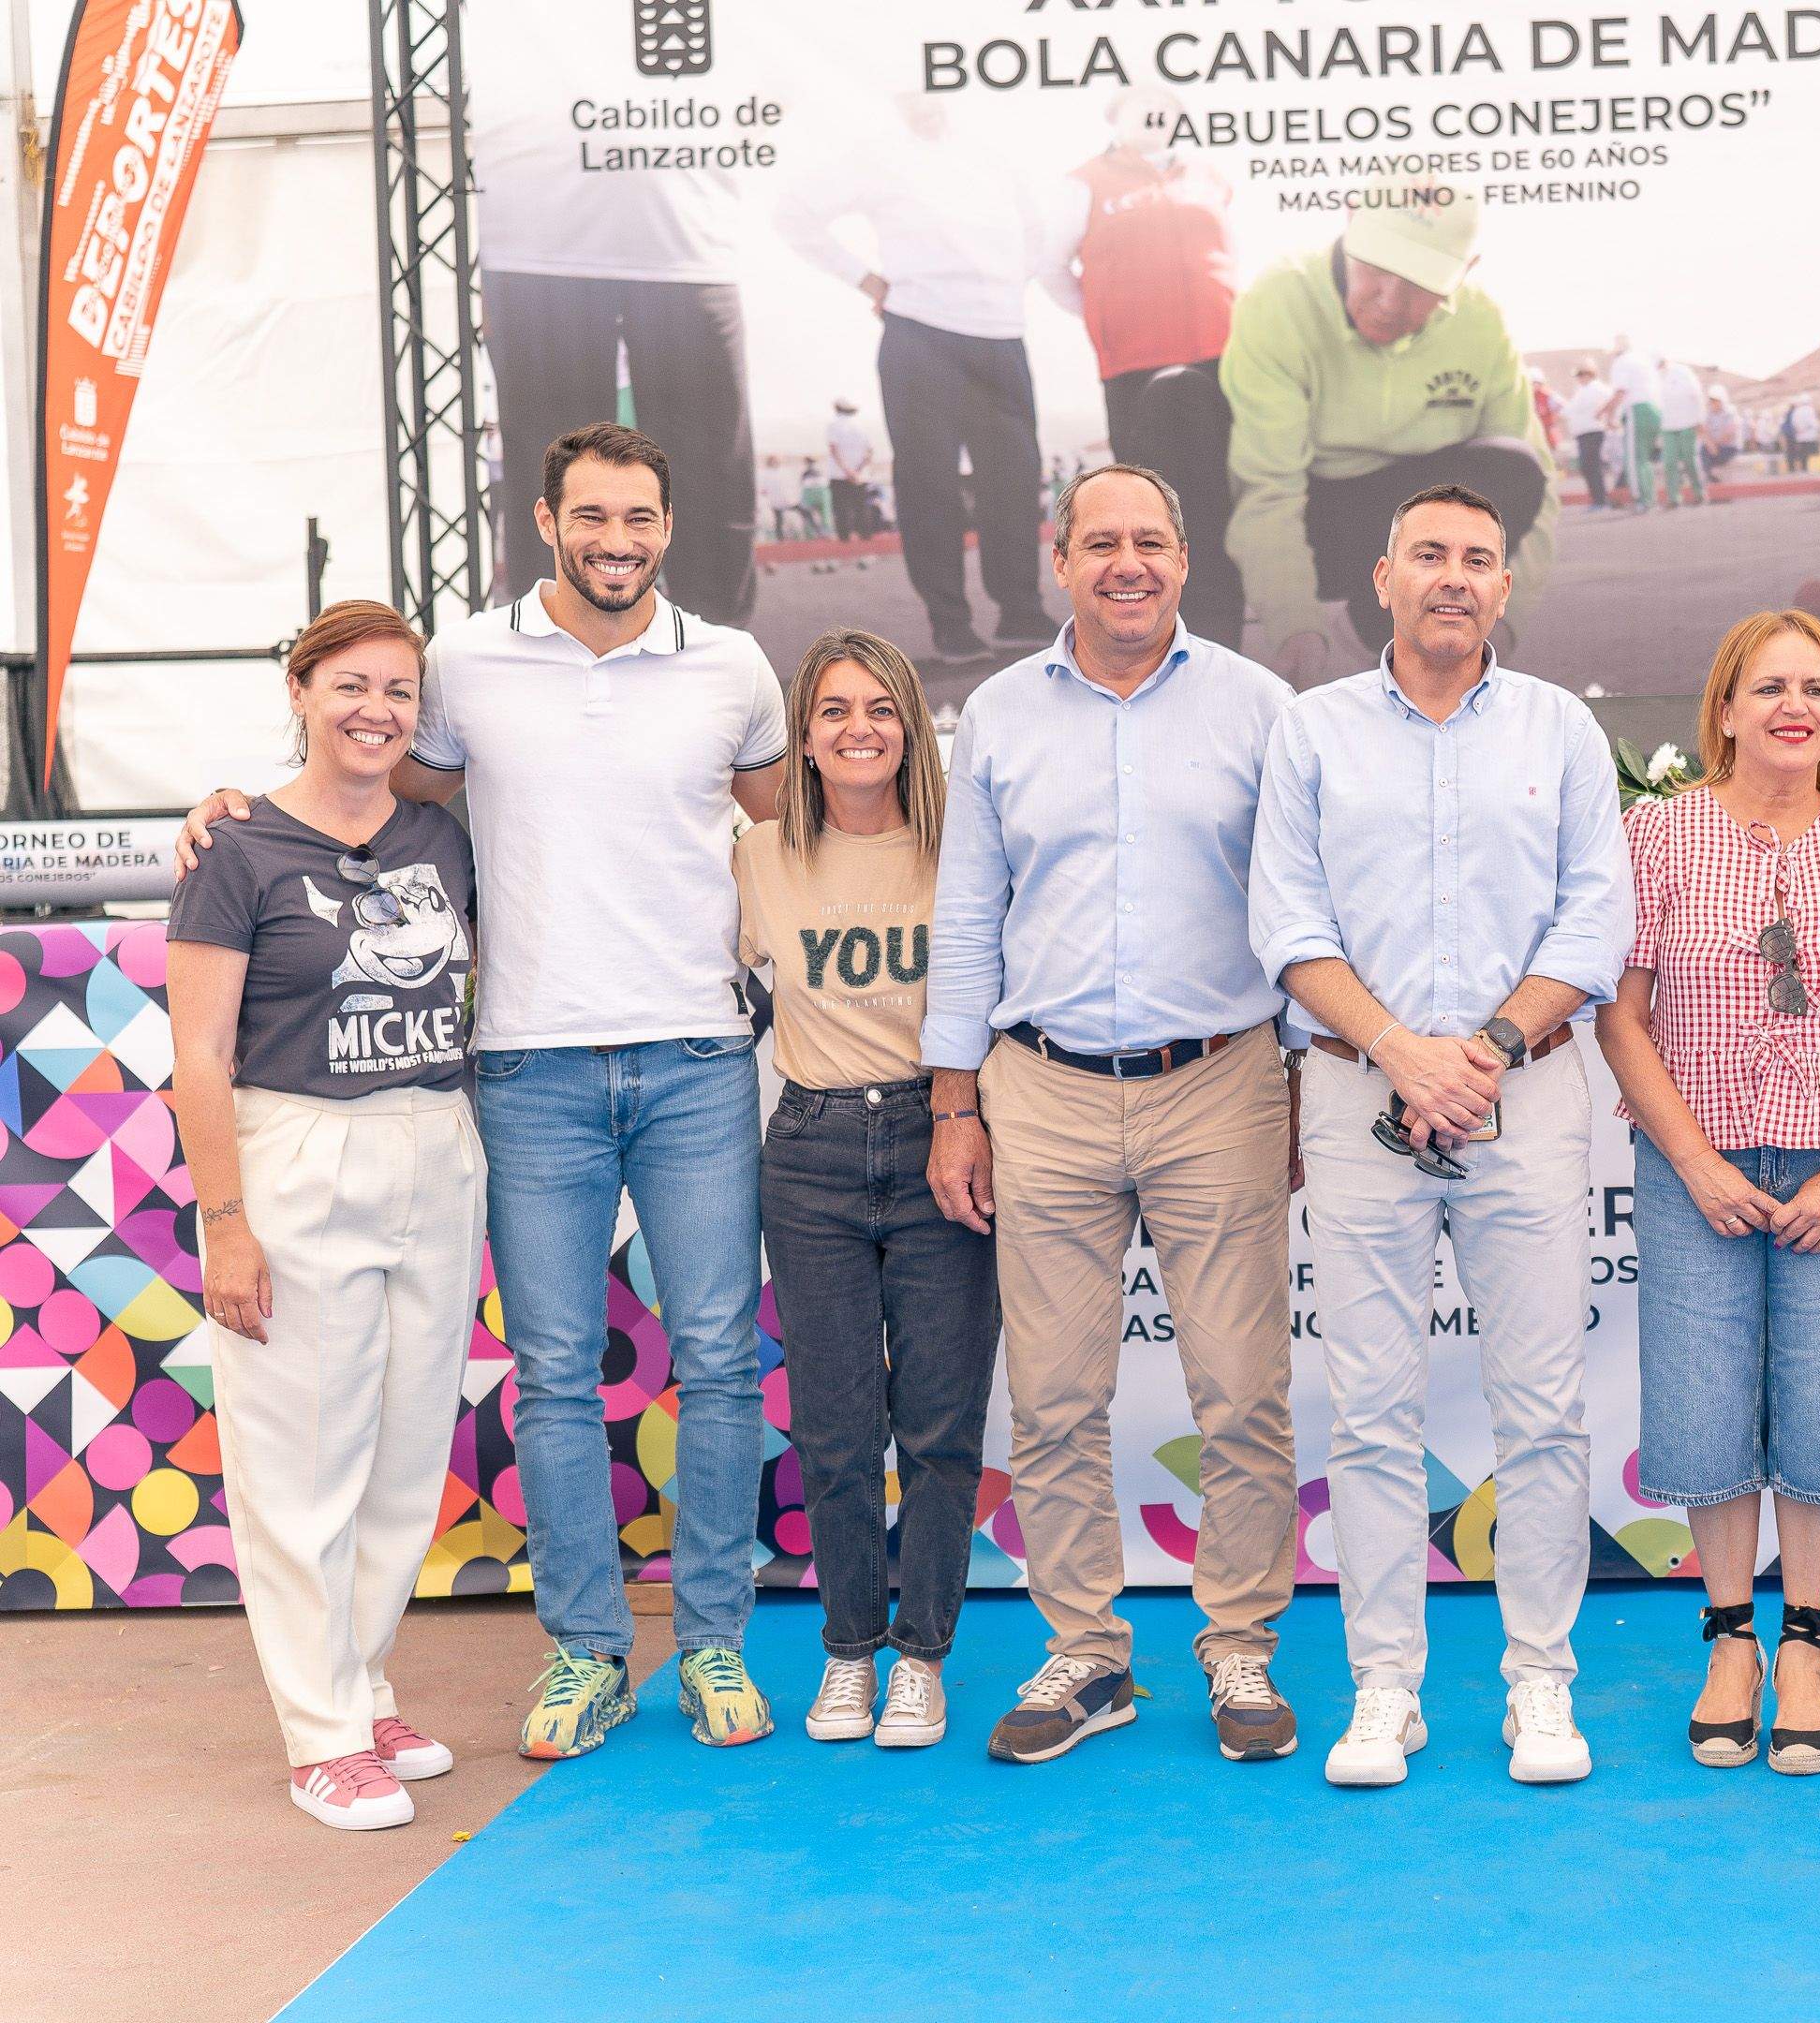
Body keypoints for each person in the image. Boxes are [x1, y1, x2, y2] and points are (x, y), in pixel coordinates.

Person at [183, 422, 788, 1761]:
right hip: (522, 1070)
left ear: (669, 527)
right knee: (556, 1373)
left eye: (639, 518)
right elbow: (361, 772)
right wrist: (235, 799)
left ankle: (715, 1649)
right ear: (546, 521)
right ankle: (584, 1654)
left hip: (696, 1061)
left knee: (724, 1365)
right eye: (592, 517)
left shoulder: (735, 667)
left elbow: (783, 813)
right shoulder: (460, 661)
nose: (616, 541)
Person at [1249, 482, 1634, 1787]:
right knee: (1368, 1412)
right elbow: (1289, 925)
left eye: (1479, 559)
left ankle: (1538, 1685)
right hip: (1361, 1105)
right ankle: (1385, 1690)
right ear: (1384, 577)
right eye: (1431, 556)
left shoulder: (1562, 729)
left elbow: (1594, 921)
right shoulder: (1310, 734)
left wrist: (1485, 1053)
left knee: (1541, 1410)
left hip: (1524, 1099)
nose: (1455, 577)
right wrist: (1407, 1055)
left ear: (1505, 586)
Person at [924, 465, 1305, 1766]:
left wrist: (1298, 1077)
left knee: (1244, 1391)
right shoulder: (998, 714)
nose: (1126, 563)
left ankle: (1240, 1644)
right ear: (1060, 559)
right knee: (1054, 1397)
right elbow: (968, 916)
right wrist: (954, 1096)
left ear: (1185, 560)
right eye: (1101, 542)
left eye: (1150, 540)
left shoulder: (1261, 708)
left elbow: (1301, 910)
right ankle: (1085, 1651)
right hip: (1042, 1086)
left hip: (1222, 1079)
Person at [1593, 610, 1820, 1776]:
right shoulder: (1659, 834)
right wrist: (1692, 1159)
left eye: (1818, 690)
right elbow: (1621, 1016)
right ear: (1726, 709)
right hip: (1697, 1167)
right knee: (1702, 1408)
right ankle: (1729, 1642)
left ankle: (1805, 1646)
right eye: (1771, 686)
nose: (1796, 707)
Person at [167, 602, 481, 1831]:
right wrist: (225, 1220)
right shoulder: (236, 851)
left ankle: (361, 1684)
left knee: (405, 1454)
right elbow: (198, 1052)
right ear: (299, 689)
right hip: (296, 1151)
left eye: (400, 691)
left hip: (436, 1147)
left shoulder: (440, 837)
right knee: (302, 1457)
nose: (376, 711)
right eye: (351, 685)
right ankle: (319, 1734)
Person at [736, 628, 993, 1754]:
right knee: (837, 1426)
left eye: (881, 708)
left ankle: (922, 1658)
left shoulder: (961, 852)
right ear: (802, 734)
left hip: (946, 1133)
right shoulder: (754, 856)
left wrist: (960, 1116)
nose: (858, 729)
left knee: (938, 1423)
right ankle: (848, 1649)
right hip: (812, 1145)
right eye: (834, 709)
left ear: (914, 728)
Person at [469, 12, 762, 624]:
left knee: (709, 467)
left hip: (688, 244)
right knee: (551, 468)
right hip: (538, 245)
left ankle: (717, 641)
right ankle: (548, 642)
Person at [1219, 183, 1555, 681]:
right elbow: (1269, 487)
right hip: (1316, 512)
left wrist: (1503, 628)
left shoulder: (1484, 323)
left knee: (1515, 467)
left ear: (1466, 268)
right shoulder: (1280, 296)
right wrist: (1296, 628)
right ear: (1351, 219)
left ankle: (1387, 638)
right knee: (1180, 404)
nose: (1390, 302)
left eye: (1421, 282)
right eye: (1377, 266)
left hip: (1414, 518)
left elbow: (1540, 488)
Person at [779, 97, 1050, 662]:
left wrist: (998, 287)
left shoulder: (995, 154)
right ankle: (951, 621)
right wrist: (865, 280)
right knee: (930, 485)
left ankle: (1020, 612)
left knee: (1015, 480)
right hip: (921, 333)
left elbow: (1035, 234)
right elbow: (793, 213)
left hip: (1001, 333)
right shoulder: (877, 156)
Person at [1037, 84, 1247, 645]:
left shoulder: (1209, 176)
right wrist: (1107, 316)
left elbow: (1229, 253)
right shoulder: (1083, 182)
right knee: (1154, 498)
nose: (1157, 117)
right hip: (1134, 367)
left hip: (1218, 358)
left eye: (1170, 110)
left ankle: (1224, 613)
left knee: (1218, 486)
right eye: (1144, 108)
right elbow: (1051, 265)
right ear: (1116, 117)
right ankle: (1158, 623)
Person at [1605, 332, 1665, 515]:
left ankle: (1642, 499)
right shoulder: (1643, 361)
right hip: (1654, 409)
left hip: (1636, 410)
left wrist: (1609, 414)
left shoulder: (1621, 362)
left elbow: (1621, 391)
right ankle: (1650, 499)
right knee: (1643, 459)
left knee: (1633, 459)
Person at [1656, 352, 1711, 508]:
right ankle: (1674, 497)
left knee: (1690, 460)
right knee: (1669, 462)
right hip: (1667, 426)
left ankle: (1699, 493)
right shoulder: (1655, 378)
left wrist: (1699, 419)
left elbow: (1696, 395)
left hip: (1688, 423)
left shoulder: (1682, 372)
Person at [1560, 362, 1617, 513]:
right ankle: (1598, 499)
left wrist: (1609, 418)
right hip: (1582, 433)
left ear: (1589, 374)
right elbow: (1569, 410)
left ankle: (1601, 501)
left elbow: (1612, 401)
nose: (1579, 378)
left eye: (1581, 375)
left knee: (1592, 466)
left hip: (1593, 431)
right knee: (1587, 466)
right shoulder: (1581, 390)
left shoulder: (1597, 388)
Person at [825, 398, 880, 547]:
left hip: (839, 474)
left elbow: (834, 449)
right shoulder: (861, 427)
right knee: (861, 506)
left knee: (841, 507)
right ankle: (866, 535)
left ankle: (844, 538)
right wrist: (857, 471)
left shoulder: (834, 425)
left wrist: (846, 470)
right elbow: (870, 452)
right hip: (860, 475)